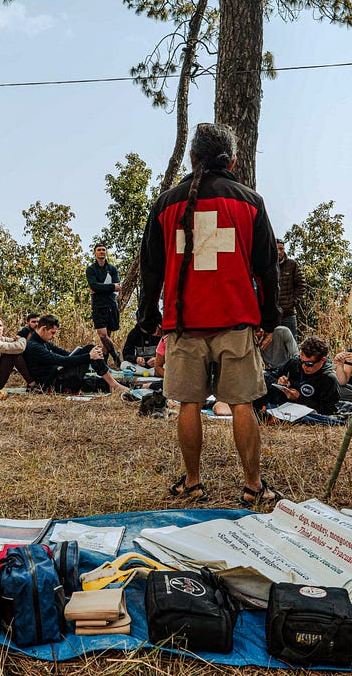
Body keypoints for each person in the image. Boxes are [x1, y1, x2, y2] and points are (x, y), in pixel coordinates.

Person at [138, 122, 283, 507]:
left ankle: (193, 482)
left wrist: (147, 313)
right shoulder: (249, 201)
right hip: (235, 319)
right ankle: (253, 485)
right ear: (232, 161)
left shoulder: (166, 202)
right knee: (241, 403)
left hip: (184, 323)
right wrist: (270, 318)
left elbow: (150, 266)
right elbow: (268, 267)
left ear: (191, 158)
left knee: (189, 404)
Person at [23, 314, 128, 394]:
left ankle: (133, 386)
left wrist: (82, 356)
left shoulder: (43, 342)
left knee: (94, 382)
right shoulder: (35, 346)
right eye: (53, 332)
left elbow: (65, 354)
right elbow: (61, 360)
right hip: (54, 383)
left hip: (59, 376)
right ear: (43, 329)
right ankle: (114, 384)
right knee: (89, 349)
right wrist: (89, 356)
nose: (54, 336)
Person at [254, 336, 340, 416]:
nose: (304, 366)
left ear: (322, 360)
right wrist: (278, 381)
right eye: (302, 361)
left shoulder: (329, 379)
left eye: (309, 364)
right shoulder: (295, 362)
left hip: (304, 412)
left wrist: (299, 398)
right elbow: (268, 375)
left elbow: (329, 411)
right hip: (280, 406)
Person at [86, 243, 122, 367]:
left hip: (111, 305)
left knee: (107, 337)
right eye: (99, 250)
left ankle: (105, 364)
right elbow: (93, 286)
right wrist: (110, 287)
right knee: (102, 335)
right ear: (95, 253)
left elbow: (117, 287)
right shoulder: (91, 269)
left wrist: (100, 288)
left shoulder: (112, 269)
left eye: (103, 250)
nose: (101, 252)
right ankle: (116, 357)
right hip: (98, 306)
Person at [275, 238, 305, 341]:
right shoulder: (267, 265)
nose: (279, 252)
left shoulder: (292, 264)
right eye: (276, 249)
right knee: (273, 345)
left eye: (281, 249)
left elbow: (301, 285)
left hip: (288, 313)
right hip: (272, 314)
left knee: (292, 344)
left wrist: (293, 302)